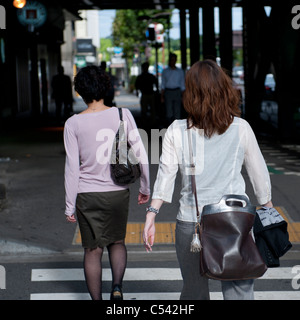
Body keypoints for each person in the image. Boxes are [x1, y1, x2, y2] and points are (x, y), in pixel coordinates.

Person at [143, 60, 273, 300]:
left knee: (194, 292)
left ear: (190, 93)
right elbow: (259, 175)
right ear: (224, 89)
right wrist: (268, 210)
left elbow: (166, 176)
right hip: (236, 222)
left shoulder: (176, 130)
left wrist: (152, 214)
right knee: (240, 292)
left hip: (193, 224)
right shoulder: (241, 128)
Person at [64, 66, 150, 300]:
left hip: (87, 194)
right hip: (117, 192)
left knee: (92, 250)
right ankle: (117, 288)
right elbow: (141, 153)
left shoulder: (73, 123)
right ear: (106, 87)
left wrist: (69, 204)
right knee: (117, 241)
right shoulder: (122, 115)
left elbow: (72, 168)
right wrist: (145, 187)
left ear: (80, 91)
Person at [161, 53, 185, 124]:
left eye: (174, 60)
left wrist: (184, 96)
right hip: (168, 91)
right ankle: (170, 126)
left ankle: (177, 127)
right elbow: (163, 84)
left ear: (176, 60)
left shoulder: (180, 71)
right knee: (169, 111)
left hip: (177, 91)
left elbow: (182, 84)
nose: (172, 61)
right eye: (171, 60)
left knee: (177, 111)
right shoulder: (165, 71)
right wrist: (161, 96)